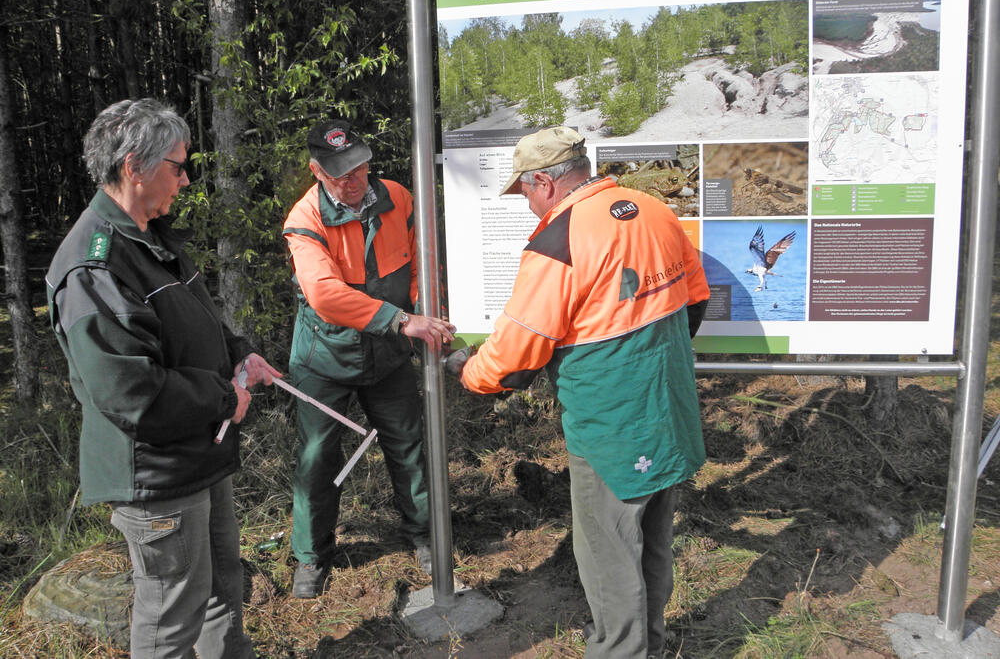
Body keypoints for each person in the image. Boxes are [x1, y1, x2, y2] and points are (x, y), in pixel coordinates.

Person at [459, 127, 710, 659]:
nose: (526, 204)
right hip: (666, 406)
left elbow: (516, 352)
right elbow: (695, 300)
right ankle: (651, 645)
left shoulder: (559, 242)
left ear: (545, 181)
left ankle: (621, 651)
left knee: (609, 552)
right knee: (653, 540)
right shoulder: (651, 208)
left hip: (611, 423)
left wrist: (471, 375)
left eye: (524, 191)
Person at [46, 98, 281, 658]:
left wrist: (238, 355)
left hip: (199, 450)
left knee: (224, 584)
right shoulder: (95, 264)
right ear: (134, 167)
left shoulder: (150, 236)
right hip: (156, 472)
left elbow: (194, 323)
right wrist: (225, 396)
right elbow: (128, 391)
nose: (184, 179)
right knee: (172, 609)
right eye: (177, 166)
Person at [282, 118, 455, 598]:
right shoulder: (305, 219)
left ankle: (424, 536)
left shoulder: (398, 197)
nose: (355, 180)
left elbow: (423, 263)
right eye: (341, 173)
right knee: (317, 458)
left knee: (409, 445)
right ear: (317, 171)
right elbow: (326, 295)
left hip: (390, 355)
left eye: (360, 166)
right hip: (325, 359)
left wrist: (423, 312)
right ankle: (312, 556)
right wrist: (402, 320)